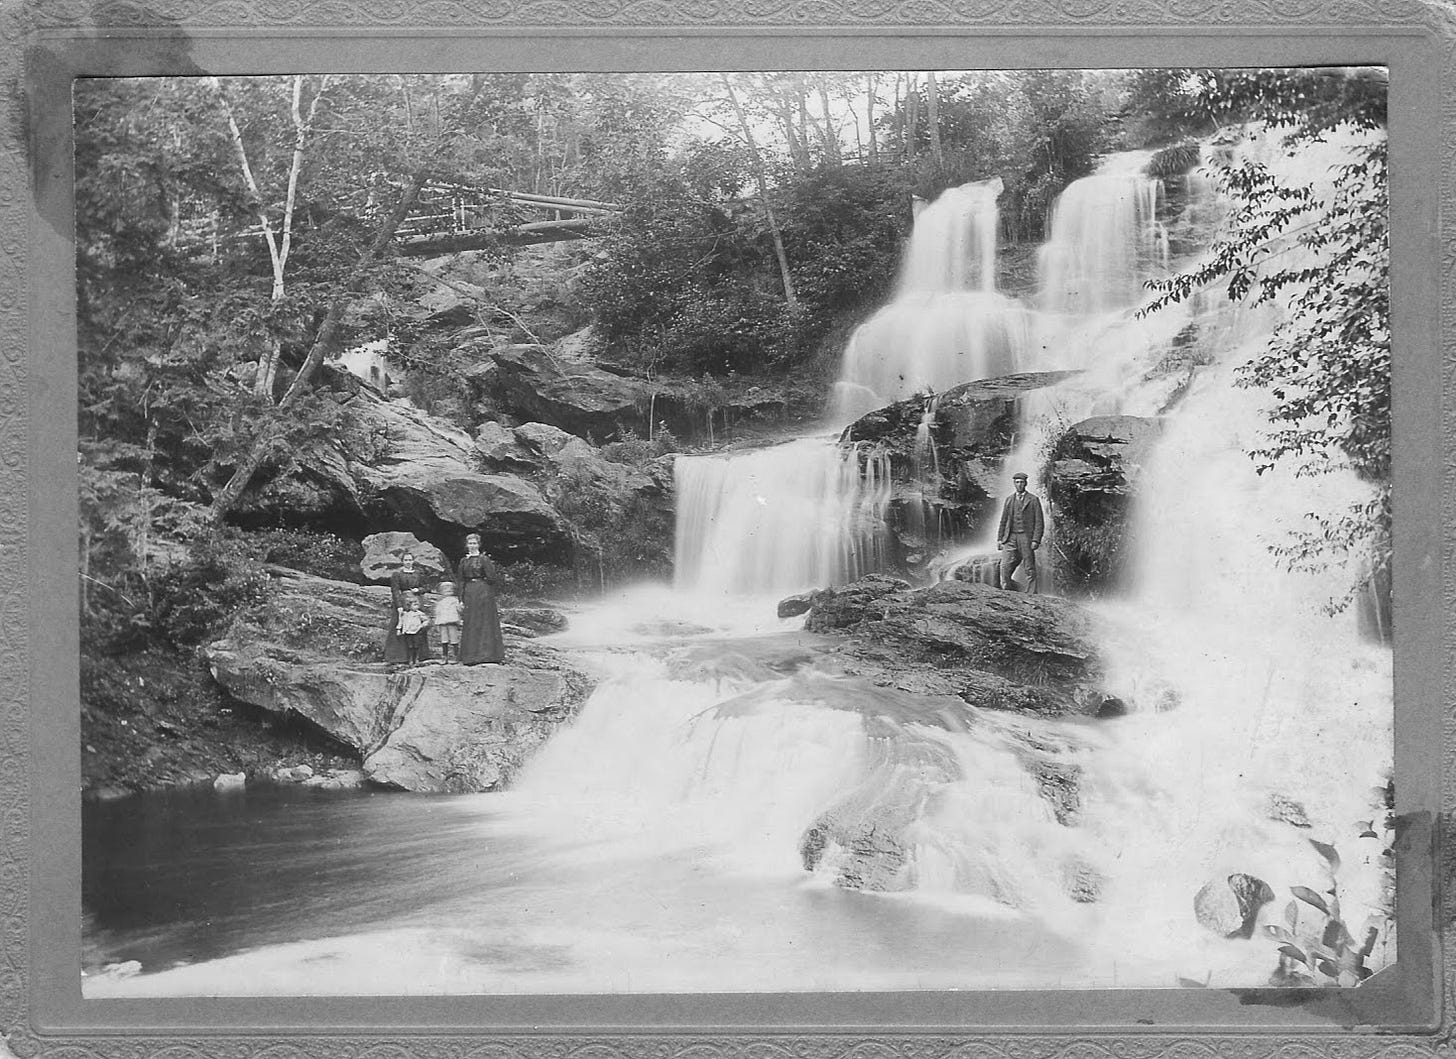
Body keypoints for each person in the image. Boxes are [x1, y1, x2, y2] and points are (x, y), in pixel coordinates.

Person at [456, 532, 505, 665]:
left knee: (484, 621)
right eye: (470, 543)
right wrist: (460, 598)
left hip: (483, 592)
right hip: (469, 592)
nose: (472, 546)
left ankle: (488, 655)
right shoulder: (463, 561)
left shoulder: (484, 559)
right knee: (471, 621)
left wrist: (482, 585)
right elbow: (460, 580)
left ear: (478, 544)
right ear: (467, 545)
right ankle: (470, 656)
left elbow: (492, 578)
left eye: (474, 543)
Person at [996, 471, 1045, 593]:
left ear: (1026, 483)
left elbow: (1039, 522)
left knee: (1029, 566)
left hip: (1026, 536)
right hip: (1010, 536)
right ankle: (1008, 590)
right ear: (1014, 483)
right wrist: (999, 538)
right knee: (1005, 566)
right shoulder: (1009, 500)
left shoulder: (1033, 500)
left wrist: (1036, 540)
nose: (1019, 485)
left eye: (1021, 482)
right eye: (1017, 482)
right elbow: (1003, 520)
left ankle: (1032, 593)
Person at [384, 551, 432, 664]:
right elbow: (395, 590)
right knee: (401, 627)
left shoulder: (418, 574)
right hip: (404, 601)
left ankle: (419, 656)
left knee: (417, 626)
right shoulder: (397, 574)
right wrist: (399, 606)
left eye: (410, 560)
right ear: (402, 561)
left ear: (413, 561)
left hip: (416, 602)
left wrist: (419, 590)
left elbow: (426, 586)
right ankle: (399, 656)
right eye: (406, 560)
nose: (408, 562)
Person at [433, 580, 463, 664]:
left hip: (452, 621)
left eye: (450, 589)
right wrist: (437, 623)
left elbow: (459, 610)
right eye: (445, 589)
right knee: (444, 639)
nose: (448, 590)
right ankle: (444, 656)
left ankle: (456, 656)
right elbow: (437, 612)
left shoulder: (455, 600)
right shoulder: (440, 602)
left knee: (454, 639)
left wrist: (461, 607)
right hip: (442, 622)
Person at [396, 592, 430, 666]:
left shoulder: (419, 613)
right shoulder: (405, 614)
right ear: (409, 606)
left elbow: (426, 620)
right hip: (408, 632)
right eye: (414, 605)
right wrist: (399, 629)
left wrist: (422, 626)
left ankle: (417, 658)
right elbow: (401, 621)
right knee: (410, 646)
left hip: (416, 631)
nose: (416, 607)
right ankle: (410, 659)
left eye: (417, 605)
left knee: (416, 645)